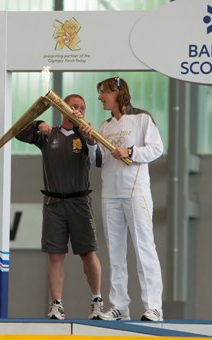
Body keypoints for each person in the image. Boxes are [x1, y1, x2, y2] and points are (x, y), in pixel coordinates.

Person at [81, 76, 164, 321]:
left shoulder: (142, 118)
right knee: (116, 253)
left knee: (144, 248)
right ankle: (120, 306)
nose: (99, 97)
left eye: (103, 92)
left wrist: (130, 151)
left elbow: (156, 148)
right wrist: (91, 143)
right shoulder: (104, 126)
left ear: (117, 92)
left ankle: (153, 306)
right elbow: (98, 162)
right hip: (111, 194)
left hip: (136, 192)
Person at [15, 94, 104, 320]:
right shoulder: (49, 134)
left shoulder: (85, 135)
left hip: (80, 202)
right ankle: (57, 304)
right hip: (53, 202)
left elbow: (99, 160)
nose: (78, 110)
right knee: (55, 255)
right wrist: (38, 124)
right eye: (73, 106)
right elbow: (18, 131)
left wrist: (91, 140)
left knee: (88, 252)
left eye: (82, 107)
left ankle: (96, 302)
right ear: (63, 108)